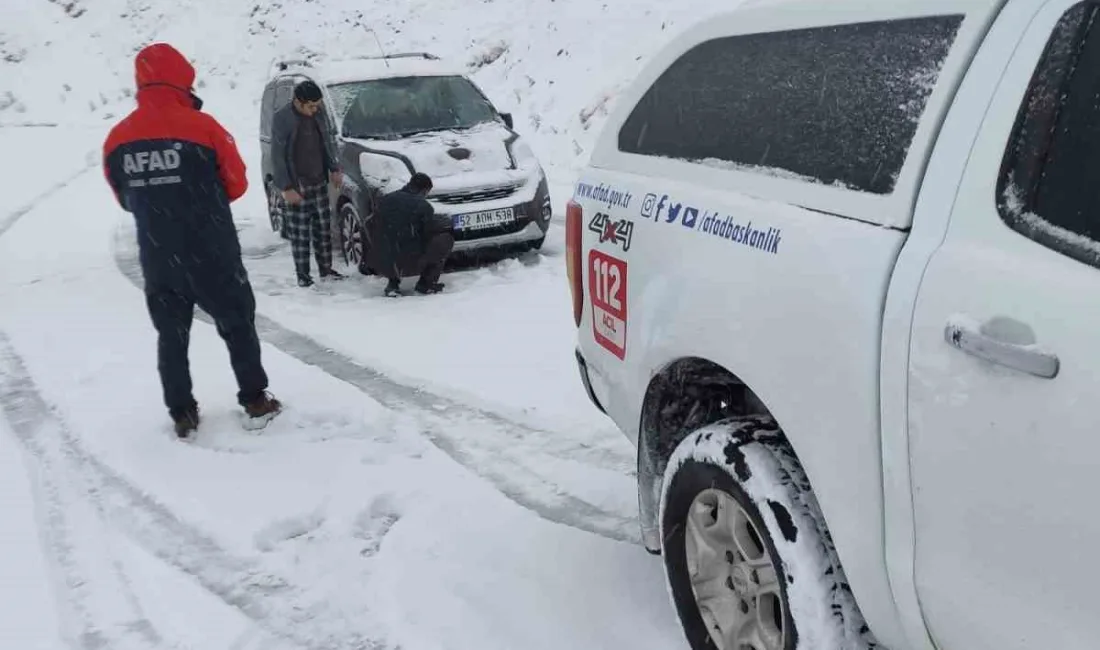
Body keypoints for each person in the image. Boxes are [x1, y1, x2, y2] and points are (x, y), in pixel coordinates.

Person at [102, 42, 282, 438]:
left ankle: (182, 411)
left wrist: (158, 203)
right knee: (237, 325)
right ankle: (254, 398)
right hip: (212, 251)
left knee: (171, 334)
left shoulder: (117, 139)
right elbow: (236, 184)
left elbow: (124, 198)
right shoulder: (206, 128)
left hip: (158, 254)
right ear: (184, 78)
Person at [270, 80, 345, 287]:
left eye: (317, 105)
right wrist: (286, 187)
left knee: (323, 229)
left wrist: (335, 168)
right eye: (311, 106)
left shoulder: (318, 114)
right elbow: (278, 156)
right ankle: (303, 276)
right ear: (298, 102)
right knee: (301, 234)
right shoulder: (282, 118)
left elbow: (327, 143)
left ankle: (326, 269)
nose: (315, 109)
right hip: (297, 185)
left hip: (318, 180)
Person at [366, 173, 455, 297]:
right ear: (424, 190)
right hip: (409, 262)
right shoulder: (424, 206)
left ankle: (393, 284)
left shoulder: (385, 200)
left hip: (380, 260)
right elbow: (427, 233)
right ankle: (426, 284)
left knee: (392, 242)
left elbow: (369, 224)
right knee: (445, 239)